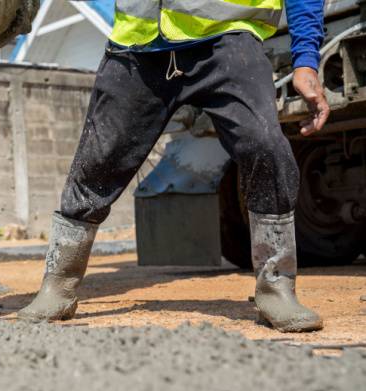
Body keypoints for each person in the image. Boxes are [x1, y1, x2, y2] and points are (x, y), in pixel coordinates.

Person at [18, 0, 330, 333]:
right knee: (96, 163)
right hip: (137, 47)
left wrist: (306, 61)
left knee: (265, 148)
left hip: (227, 40)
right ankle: (58, 285)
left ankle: (276, 288)